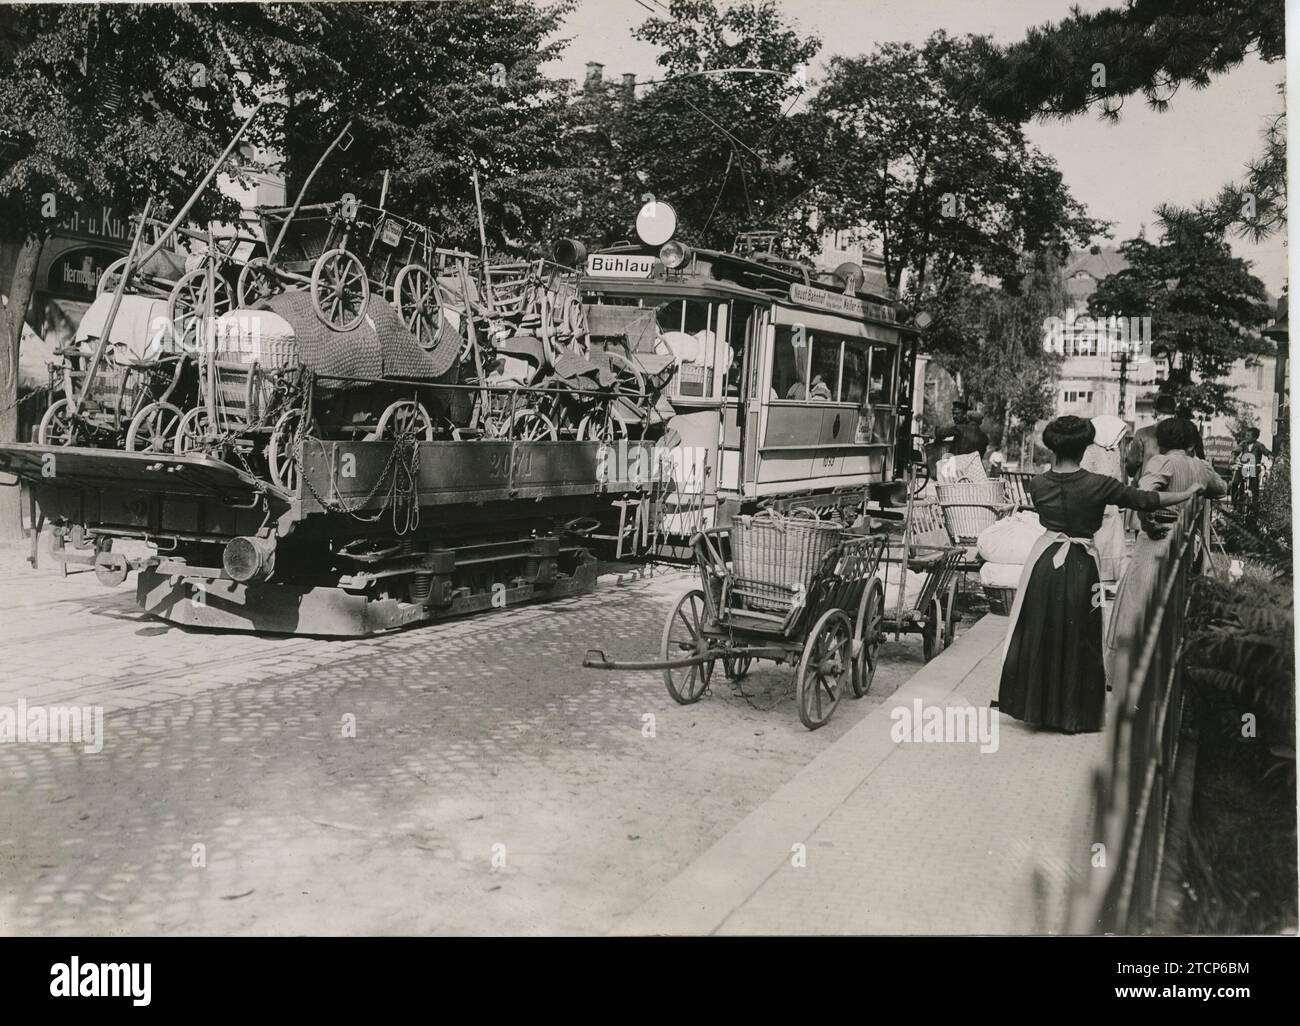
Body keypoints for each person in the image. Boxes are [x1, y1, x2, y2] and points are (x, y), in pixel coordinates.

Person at [997, 415, 1201, 734]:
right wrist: (1187, 493)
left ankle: (1037, 708)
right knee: (1081, 633)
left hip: (1043, 562)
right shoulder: (1097, 484)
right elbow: (1145, 500)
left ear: (1052, 448)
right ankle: (1070, 715)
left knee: (1041, 629)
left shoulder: (1037, 484)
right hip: (1081, 563)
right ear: (1085, 448)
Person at [1080, 413, 1131, 582]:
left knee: (1114, 545)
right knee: (1097, 544)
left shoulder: (1114, 451)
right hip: (1094, 504)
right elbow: (1085, 476)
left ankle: (1109, 578)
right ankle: (1095, 579)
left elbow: (1117, 477)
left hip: (1111, 505)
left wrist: (1120, 497)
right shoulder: (1089, 450)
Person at [1233, 427, 1271, 513]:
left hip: (1254, 469)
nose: (1246, 437)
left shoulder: (1259, 445)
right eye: (1246, 435)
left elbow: (1265, 451)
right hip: (1244, 468)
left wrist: (1269, 456)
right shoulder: (1243, 444)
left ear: (1255, 438)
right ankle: (1235, 504)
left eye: (1248, 435)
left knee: (1254, 488)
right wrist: (1233, 457)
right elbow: (1236, 451)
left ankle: (1254, 507)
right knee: (1236, 483)